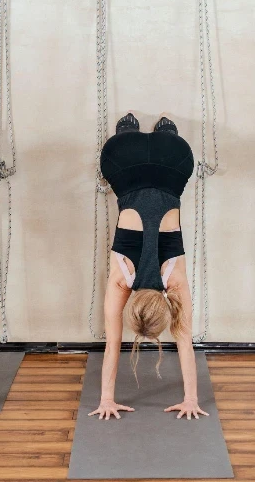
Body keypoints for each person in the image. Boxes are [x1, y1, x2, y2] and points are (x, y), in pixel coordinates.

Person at [88, 112, 208, 421]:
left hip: (174, 160)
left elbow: (185, 341)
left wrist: (192, 398)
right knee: (119, 151)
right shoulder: (121, 281)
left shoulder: (174, 281)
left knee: (169, 145)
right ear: (132, 304)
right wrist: (106, 399)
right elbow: (113, 345)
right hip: (124, 161)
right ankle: (127, 132)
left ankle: (166, 131)